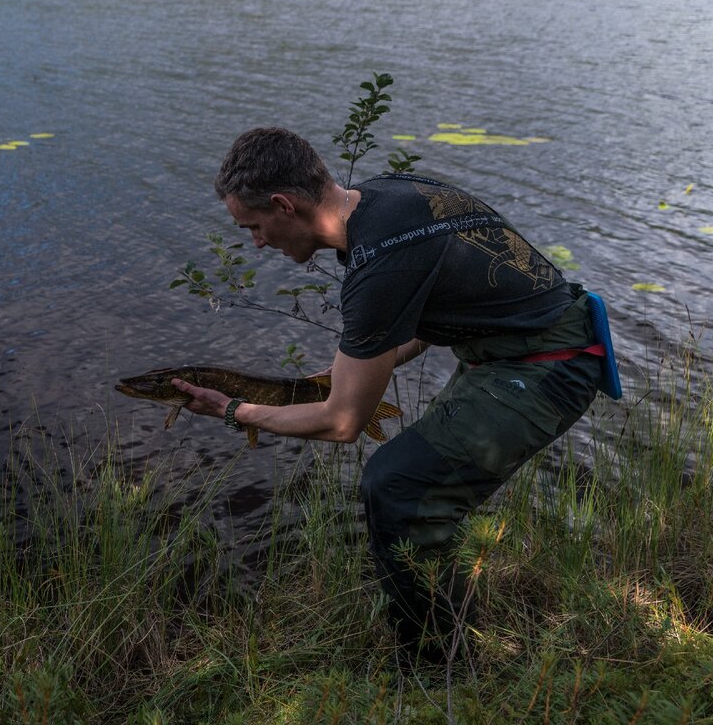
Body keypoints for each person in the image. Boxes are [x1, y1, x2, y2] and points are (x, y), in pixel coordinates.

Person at [173, 126, 604, 662]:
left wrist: (233, 409)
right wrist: (345, 373)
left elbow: (342, 424)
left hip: (548, 365)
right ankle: (450, 620)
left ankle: (438, 665)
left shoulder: (379, 262)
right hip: (523, 347)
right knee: (417, 489)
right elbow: (438, 304)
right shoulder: (391, 197)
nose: (257, 242)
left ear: (284, 205)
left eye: (254, 227)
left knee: (396, 487)